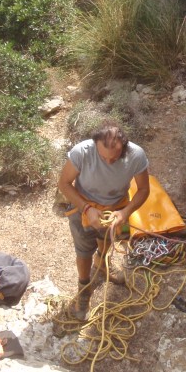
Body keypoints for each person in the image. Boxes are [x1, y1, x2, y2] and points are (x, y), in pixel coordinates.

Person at [57, 124, 150, 320]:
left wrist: (125, 212)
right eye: (103, 157)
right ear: (95, 145)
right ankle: (84, 288)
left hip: (117, 208)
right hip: (83, 206)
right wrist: (87, 209)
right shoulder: (82, 152)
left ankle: (102, 261)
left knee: (107, 238)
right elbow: (64, 184)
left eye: (114, 158)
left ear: (124, 148)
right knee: (83, 250)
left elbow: (143, 190)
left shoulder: (136, 155)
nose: (108, 162)